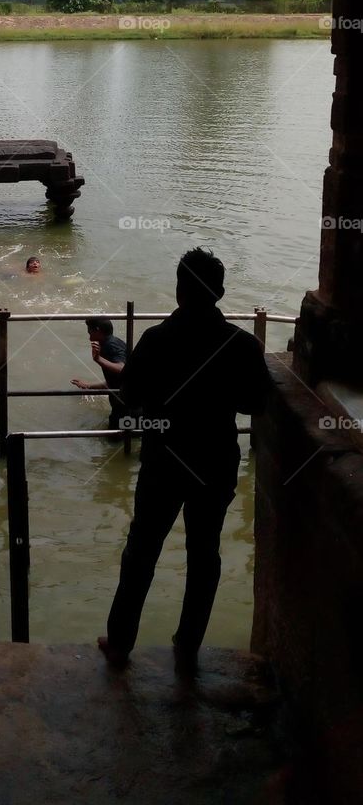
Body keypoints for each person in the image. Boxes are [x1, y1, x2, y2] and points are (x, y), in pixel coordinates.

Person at [98, 248, 269, 675]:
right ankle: (188, 644)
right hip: (215, 461)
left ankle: (120, 643)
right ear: (221, 292)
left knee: (141, 549)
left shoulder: (157, 340)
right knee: (204, 552)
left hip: (164, 459)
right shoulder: (241, 344)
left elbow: (131, 398)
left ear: (178, 290)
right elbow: (255, 402)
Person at [71, 317, 127, 429]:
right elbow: (115, 381)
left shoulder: (110, 346)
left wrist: (98, 359)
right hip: (128, 404)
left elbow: (122, 369)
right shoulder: (115, 342)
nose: (89, 338)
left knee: (113, 441)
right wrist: (88, 386)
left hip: (125, 408)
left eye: (90, 332)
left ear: (97, 330)